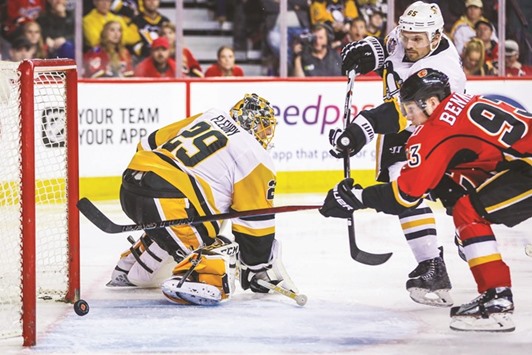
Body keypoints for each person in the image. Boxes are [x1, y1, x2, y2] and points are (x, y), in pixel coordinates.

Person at [320, 68, 531, 332]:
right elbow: (476, 165)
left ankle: (496, 301)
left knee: (469, 212)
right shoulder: (461, 102)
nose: (408, 117)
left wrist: (356, 197)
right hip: (522, 163)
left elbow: (403, 197)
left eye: (410, 109)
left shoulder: (435, 130)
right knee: (465, 202)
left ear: (431, 103)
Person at [106, 93, 299, 306]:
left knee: (203, 217)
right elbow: (254, 220)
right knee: (216, 248)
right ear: (254, 126)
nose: (267, 134)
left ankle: (134, 265)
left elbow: (147, 143)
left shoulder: (211, 116)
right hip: (166, 201)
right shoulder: (255, 156)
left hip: (131, 183)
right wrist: (257, 268)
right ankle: (196, 275)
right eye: (265, 127)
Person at [332, 1, 466, 307]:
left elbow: (405, 110)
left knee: (459, 201)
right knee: (403, 187)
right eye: (406, 35)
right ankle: (432, 266)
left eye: (417, 39)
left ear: (435, 38)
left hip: (443, 133)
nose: (408, 43)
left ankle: (468, 238)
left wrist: (359, 130)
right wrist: (369, 52)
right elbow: (388, 54)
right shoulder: (408, 35)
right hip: (405, 133)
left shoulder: (441, 69)